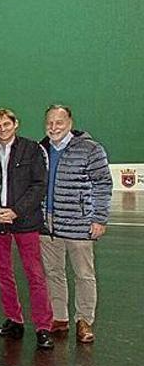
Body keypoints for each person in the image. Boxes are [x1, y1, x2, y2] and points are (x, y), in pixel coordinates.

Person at [0, 108, 54, 350]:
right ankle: (14, 320)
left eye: (6, 124)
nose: (2, 129)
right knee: (3, 274)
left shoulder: (32, 149)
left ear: (15, 124)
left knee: (35, 275)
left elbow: (39, 184)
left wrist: (16, 211)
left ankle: (43, 327)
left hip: (25, 221)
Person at [39, 105, 111, 343]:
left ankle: (84, 320)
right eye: (50, 123)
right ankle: (59, 318)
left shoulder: (91, 149)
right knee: (53, 273)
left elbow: (103, 184)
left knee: (84, 275)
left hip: (79, 226)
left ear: (70, 123)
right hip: (48, 226)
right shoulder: (41, 150)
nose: (54, 127)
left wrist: (99, 218)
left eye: (59, 122)